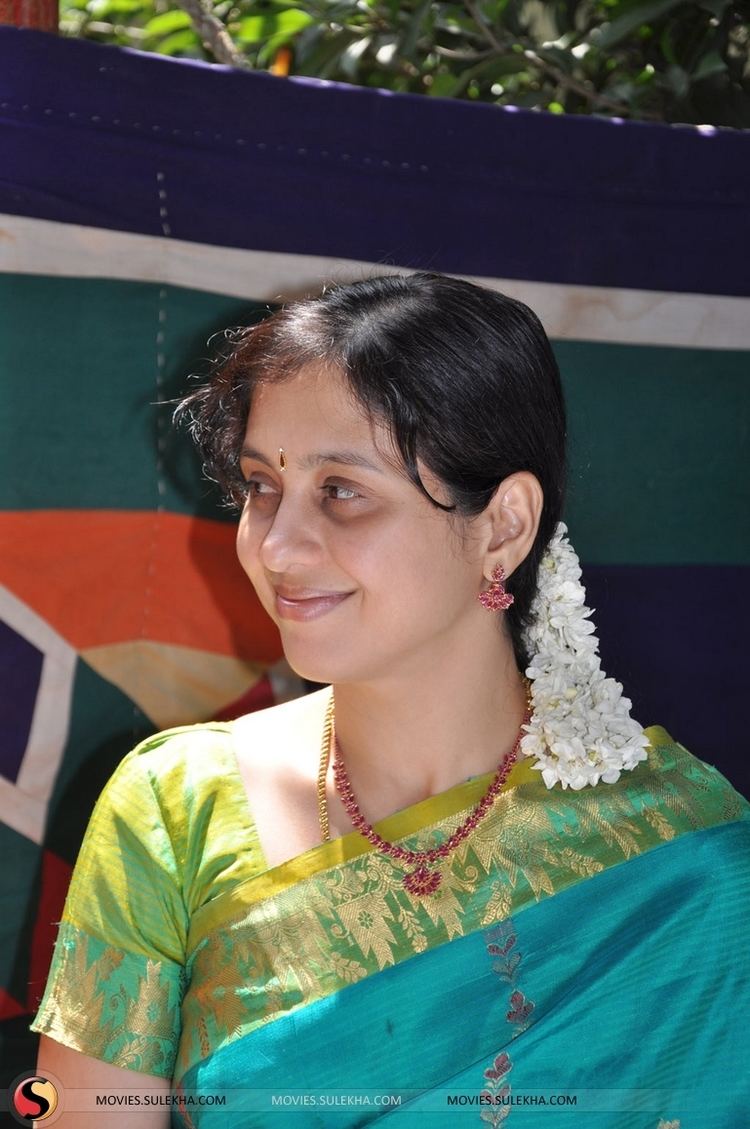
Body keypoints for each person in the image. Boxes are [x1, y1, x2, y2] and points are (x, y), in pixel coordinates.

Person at [31, 272, 749, 1127]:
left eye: (342, 492)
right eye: (262, 485)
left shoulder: (685, 862)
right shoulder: (174, 812)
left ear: (503, 527)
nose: (279, 547)